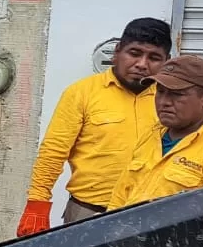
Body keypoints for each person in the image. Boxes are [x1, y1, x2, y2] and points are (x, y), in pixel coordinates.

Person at [18, 18, 171, 235]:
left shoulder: (170, 100)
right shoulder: (82, 93)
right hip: (87, 214)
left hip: (151, 215)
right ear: (117, 51)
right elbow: (54, 150)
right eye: (134, 53)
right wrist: (38, 202)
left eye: (154, 57)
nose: (142, 64)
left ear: (167, 61)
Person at [107, 55, 203, 210]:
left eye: (176, 94)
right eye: (160, 91)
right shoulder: (152, 134)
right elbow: (120, 196)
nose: (164, 102)